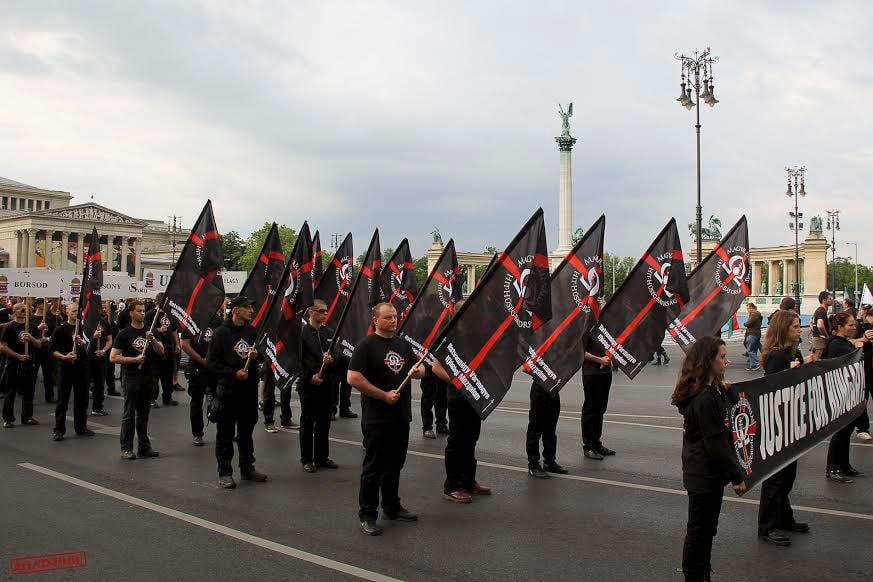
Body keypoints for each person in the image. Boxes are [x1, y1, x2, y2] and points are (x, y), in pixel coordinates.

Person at [672, 336, 746, 581]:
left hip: (704, 473)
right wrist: (737, 476)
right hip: (703, 475)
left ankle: (701, 571)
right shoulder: (704, 398)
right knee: (699, 531)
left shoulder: (707, 391)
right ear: (708, 361)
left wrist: (722, 389)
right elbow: (715, 442)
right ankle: (695, 575)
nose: (727, 361)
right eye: (722, 357)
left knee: (705, 530)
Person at [347, 302, 425, 535]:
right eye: (388, 317)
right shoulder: (366, 346)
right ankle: (368, 514)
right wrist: (382, 395)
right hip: (377, 417)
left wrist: (418, 371)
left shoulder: (402, 344)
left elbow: (420, 369)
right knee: (374, 467)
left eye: (395, 317)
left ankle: (391, 506)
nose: (394, 320)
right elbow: (353, 377)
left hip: (400, 416)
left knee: (395, 465)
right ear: (376, 320)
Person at [757, 309, 808, 546]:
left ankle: (784, 517)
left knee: (787, 476)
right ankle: (767, 527)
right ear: (784, 330)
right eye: (796, 327)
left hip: (790, 422)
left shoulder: (792, 353)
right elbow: (774, 389)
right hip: (778, 425)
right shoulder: (778, 357)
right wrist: (794, 372)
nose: (800, 330)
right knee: (776, 478)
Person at [207, 296, 267, 489]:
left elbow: (261, 358)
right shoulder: (220, 333)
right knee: (225, 433)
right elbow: (212, 363)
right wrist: (233, 372)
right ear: (236, 310)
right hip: (228, 391)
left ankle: (247, 468)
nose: (251, 311)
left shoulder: (251, 331)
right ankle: (224, 472)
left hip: (248, 390)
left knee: (246, 432)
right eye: (247, 308)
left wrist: (256, 357)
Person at [110, 299, 163, 460]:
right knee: (129, 414)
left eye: (142, 310)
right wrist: (134, 360)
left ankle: (144, 447)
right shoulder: (124, 333)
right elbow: (113, 357)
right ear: (131, 313)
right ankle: (126, 448)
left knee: (144, 414)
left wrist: (152, 340)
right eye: (138, 311)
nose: (141, 313)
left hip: (148, 377)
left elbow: (161, 351)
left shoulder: (150, 331)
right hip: (131, 377)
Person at [822, 312, 870, 483]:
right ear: (839, 327)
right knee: (841, 432)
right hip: (841, 394)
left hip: (848, 393)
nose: (854, 327)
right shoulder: (836, 344)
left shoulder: (841, 342)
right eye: (850, 325)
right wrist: (859, 347)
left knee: (847, 430)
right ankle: (833, 468)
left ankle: (844, 465)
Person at [297, 299, 338, 473]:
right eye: (321, 311)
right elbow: (297, 360)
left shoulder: (329, 332)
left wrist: (332, 359)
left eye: (326, 311)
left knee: (324, 421)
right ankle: (307, 458)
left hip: (326, 383)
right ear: (310, 312)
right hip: (309, 384)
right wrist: (309, 376)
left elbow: (336, 354)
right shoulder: (301, 334)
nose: (324, 314)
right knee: (308, 421)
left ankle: (322, 457)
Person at [50, 302, 95, 441]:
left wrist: (81, 342)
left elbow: (90, 349)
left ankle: (81, 427)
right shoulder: (60, 329)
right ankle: (59, 430)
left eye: (78, 311)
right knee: (62, 400)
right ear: (67, 312)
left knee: (82, 400)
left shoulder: (84, 329)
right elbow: (52, 350)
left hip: (82, 368)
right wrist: (64, 357)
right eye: (73, 311)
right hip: (65, 369)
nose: (76, 314)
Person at [180, 303, 223, 447]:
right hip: (197, 367)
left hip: (215, 367)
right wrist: (201, 360)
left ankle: (223, 431)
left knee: (221, 398)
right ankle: (197, 433)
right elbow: (185, 344)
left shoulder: (217, 321)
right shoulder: (192, 320)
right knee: (197, 400)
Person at [1, 302, 41, 428]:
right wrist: (18, 356)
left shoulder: (32, 326)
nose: (23, 311)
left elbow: (39, 344)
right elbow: (2, 346)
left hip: (29, 363)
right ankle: (8, 418)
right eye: (20, 309)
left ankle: (27, 417)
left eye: (25, 309)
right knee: (10, 391)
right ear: (14, 312)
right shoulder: (10, 327)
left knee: (29, 391)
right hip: (14, 363)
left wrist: (32, 339)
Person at [581, 336, 615, 460]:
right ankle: (588, 446)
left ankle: (596, 443)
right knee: (591, 409)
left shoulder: (606, 325)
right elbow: (580, 351)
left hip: (606, 371)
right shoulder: (587, 324)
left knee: (600, 408)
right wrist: (599, 360)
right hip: (591, 372)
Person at [526, 381, 568, 479]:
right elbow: (526, 368)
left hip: (553, 389)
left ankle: (549, 461)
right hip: (540, 389)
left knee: (551, 428)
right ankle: (533, 465)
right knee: (535, 429)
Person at [146, 294, 180, 407]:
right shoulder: (151, 314)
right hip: (155, 347)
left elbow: (174, 329)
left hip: (168, 347)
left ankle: (167, 397)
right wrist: (159, 330)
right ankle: (152, 398)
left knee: (168, 374)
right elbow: (146, 329)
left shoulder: (170, 315)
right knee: (155, 374)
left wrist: (177, 343)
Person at [31, 299, 57, 403]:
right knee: (32, 374)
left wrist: (48, 338)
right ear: (37, 305)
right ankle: (30, 395)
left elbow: (55, 332)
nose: (44, 305)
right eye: (42, 303)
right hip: (35, 349)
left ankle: (49, 396)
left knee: (48, 374)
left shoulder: (49, 318)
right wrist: (38, 328)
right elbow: (27, 331)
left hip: (46, 349)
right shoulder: (31, 318)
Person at [88, 309, 113, 416]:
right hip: (86, 358)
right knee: (83, 384)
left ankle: (97, 407)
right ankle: (81, 408)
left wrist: (103, 351)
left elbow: (109, 339)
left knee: (99, 384)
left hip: (100, 358)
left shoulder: (104, 323)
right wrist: (92, 337)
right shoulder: (83, 323)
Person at [855, 307, 873, 442]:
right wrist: (863, 338)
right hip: (863, 368)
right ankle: (862, 428)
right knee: (863, 398)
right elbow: (847, 342)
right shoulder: (859, 326)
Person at [420, 374, 448, 439]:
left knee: (443, 396)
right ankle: (427, 428)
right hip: (429, 368)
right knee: (428, 398)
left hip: (442, 367)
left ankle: (441, 425)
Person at [809, 291, 832, 361]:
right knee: (816, 363)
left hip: (818, 341)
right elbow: (820, 325)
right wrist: (827, 336)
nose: (831, 300)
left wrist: (814, 330)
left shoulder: (819, 311)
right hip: (819, 342)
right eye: (829, 299)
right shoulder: (821, 311)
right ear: (824, 300)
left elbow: (811, 322)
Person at [743, 303, 762, 371]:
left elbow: (748, 323)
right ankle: (752, 365)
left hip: (752, 333)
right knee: (754, 349)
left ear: (751, 308)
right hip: (756, 333)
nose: (747, 310)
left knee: (750, 350)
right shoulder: (756, 314)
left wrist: (744, 323)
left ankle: (755, 363)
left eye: (748, 308)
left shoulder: (754, 314)